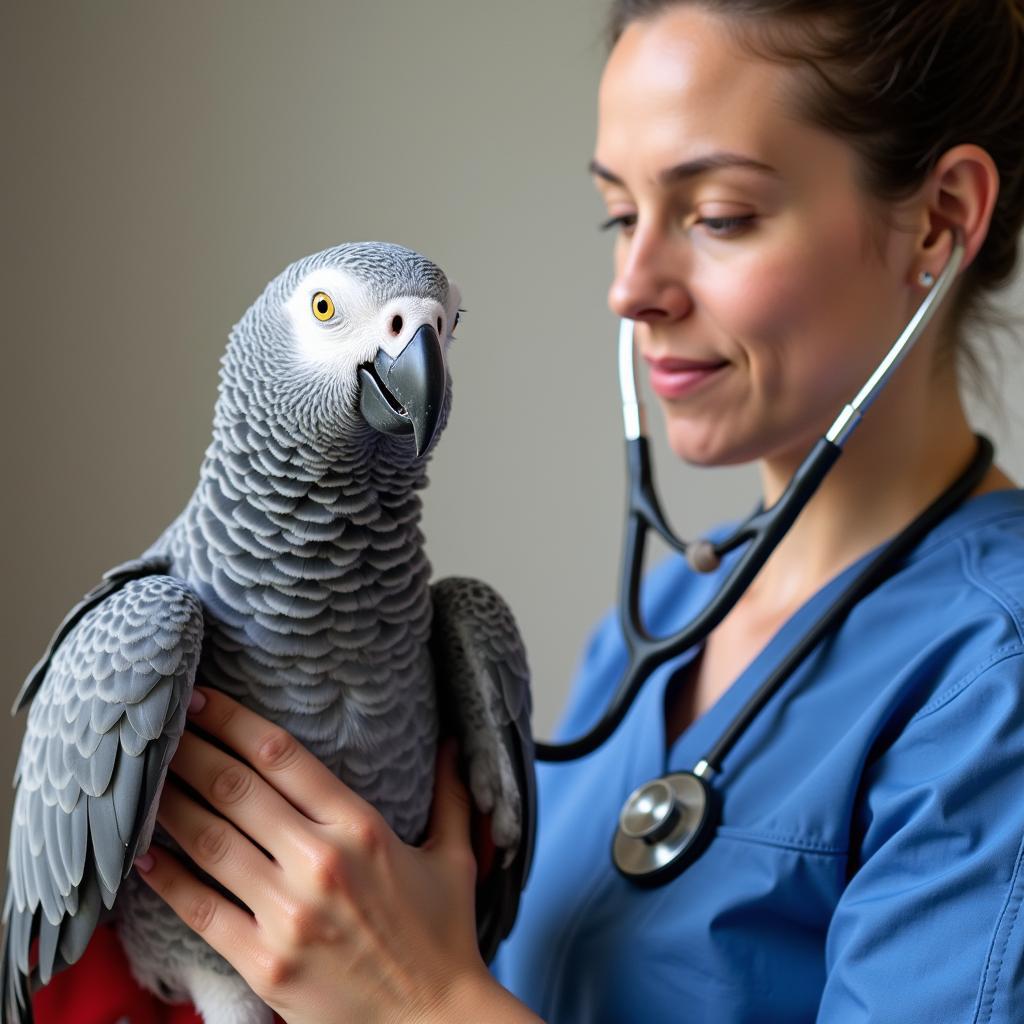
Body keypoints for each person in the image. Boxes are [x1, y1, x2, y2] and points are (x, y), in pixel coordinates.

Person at [119, 1, 1024, 1021]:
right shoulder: (659, 627)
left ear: (941, 216)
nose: (631, 288)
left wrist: (419, 1001)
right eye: (619, 216)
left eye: (717, 213)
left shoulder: (995, 677)